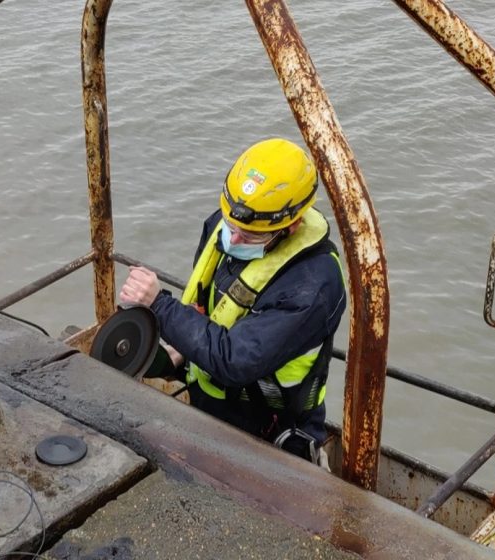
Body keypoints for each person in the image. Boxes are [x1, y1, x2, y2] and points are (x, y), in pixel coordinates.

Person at [118, 137, 346, 466]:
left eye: (250, 235)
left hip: (272, 439)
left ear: (292, 226)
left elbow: (237, 360)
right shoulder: (226, 226)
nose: (234, 239)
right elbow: (208, 312)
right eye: (232, 225)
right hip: (209, 416)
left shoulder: (312, 287)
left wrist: (161, 305)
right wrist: (177, 352)